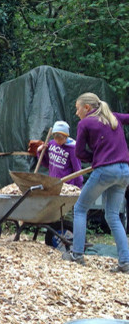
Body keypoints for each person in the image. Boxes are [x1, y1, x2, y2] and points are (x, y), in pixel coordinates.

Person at [63, 93, 129, 271]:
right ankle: (125, 262)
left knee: (80, 208)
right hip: (125, 171)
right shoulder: (113, 117)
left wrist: (96, 158)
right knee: (113, 215)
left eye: (78, 108)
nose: (77, 113)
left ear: (87, 108)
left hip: (105, 170)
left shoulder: (85, 123)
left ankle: (77, 255)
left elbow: (79, 153)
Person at [34, 121, 83, 188]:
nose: (58, 142)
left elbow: (77, 168)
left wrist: (78, 186)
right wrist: (40, 152)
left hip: (67, 185)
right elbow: (46, 164)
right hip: (53, 183)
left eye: (60, 139)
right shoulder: (51, 144)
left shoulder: (72, 148)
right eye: (56, 139)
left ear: (66, 136)